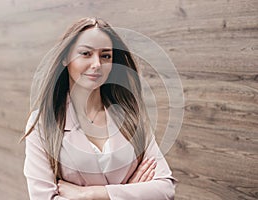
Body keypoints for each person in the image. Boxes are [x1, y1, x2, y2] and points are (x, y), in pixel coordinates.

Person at [22, 17, 176, 200]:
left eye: (105, 56)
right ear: (65, 58)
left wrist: (93, 194)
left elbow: (165, 188)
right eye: (86, 53)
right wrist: (130, 193)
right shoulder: (42, 123)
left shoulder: (132, 116)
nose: (96, 64)